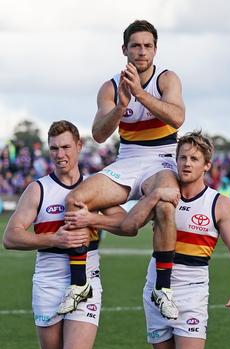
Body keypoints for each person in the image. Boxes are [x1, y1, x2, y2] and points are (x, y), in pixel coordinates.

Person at [62, 19, 185, 319]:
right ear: (124, 49)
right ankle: (80, 284)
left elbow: (178, 118)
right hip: (129, 159)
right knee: (75, 200)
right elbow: (100, 135)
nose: (142, 52)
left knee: (167, 202)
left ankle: (163, 288)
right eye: (135, 46)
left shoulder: (166, 79)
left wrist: (141, 95)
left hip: (163, 159)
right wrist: (121, 105)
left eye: (147, 46)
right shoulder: (111, 87)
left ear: (155, 50)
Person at [2, 121, 128, 349]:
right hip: (48, 282)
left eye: (66, 147)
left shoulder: (96, 188)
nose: (60, 154)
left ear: (79, 146)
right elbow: (10, 237)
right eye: (54, 149)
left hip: (87, 281)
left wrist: (92, 218)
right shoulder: (38, 190)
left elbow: (125, 223)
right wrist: (54, 238)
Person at [121, 131, 230, 349]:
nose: (186, 164)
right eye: (182, 158)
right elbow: (128, 224)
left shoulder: (219, 204)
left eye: (194, 159)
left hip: (192, 294)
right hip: (156, 291)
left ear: (206, 166)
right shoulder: (163, 194)